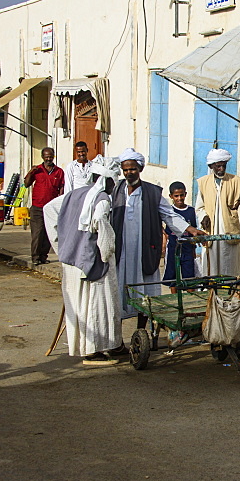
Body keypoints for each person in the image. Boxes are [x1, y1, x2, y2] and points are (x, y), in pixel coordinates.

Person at [112, 148, 204, 334]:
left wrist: (190, 229)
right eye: (126, 169)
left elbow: (169, 215)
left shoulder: (153, 193)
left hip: (144, 251)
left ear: (140, 169)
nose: (129, 173)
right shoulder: (114, 190)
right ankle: (117, 338)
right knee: (119, 292)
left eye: (133, 169)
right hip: (121, 252)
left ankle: (142, 330)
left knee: (145, 291)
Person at [42, 156, 124, 366]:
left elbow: (49, 209)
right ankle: (92, 351)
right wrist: (106, 253)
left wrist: (61, 244)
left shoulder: (73, 195)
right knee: (96, 305)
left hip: (71, 261)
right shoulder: (103, 198)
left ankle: (86, 347)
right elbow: (100, 224)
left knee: (79, 305)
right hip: (92, 262)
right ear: (106, 180)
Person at [195, 148, 240, 277]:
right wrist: (204, 216)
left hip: (229, 230)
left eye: (223, 166)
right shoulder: (203, 182)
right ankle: (213, 294)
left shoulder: (237, 181)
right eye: (218, 166)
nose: (221, 169)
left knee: (230, 264)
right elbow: (199, 207)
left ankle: (232, 293)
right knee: (211, 266)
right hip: (211, 231)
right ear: (211, 166)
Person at [23, 147, 65, 266]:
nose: (48, 159)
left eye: (50, 156)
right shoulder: (37, 170)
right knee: (37, 233)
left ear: (53, 156)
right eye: (46, 156)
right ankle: (35, 257)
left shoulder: (59, 171)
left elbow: (61, 188)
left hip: (51, 208)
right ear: (42, 157)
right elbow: (26, 184)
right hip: (37, 207)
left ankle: (43, 256)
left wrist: (59, 202)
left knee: (48, 233)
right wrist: (31, 172)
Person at [162, 181, 198, 293]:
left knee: (189, 279)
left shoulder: (191, 211)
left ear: (185, 194)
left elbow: (194, 231)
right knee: (173, 279)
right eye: (176, 196)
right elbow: (164, 230)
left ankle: (191, 304)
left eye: (181, 195)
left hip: (187, 250)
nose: (179, 198)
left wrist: (194, 249)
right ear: (171, 196)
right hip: (173, 248)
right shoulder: (168, 211)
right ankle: (176, 302)